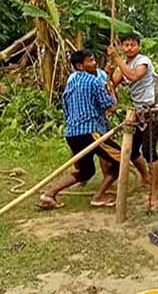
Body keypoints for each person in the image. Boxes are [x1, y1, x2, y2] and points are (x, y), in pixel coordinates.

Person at [39, 49, 121, 209]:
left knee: (86, 171)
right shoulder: (94, 81)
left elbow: (66, 106)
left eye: (94, 59)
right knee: (122, 159)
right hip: (90, 132)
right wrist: (111, 89)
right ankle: (99, 196)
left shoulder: (71, 80)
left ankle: (49, 194)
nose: (95, 63)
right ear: (80, 65)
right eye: (90, 61)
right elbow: (111, 107)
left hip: (72, 133)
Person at [107, 33, 158, 208]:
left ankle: (155, 193)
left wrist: (117, 59)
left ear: (138, 46)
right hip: (138, 112)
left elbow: (133, 76)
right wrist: (109, 74)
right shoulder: (125, 64)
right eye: (126, 45)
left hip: (151, 109)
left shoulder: (142, 61)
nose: (129, 48)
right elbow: (113, 83)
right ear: (122, 46)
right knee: (131, 150)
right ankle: (146, 179)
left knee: (149, 151)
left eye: (132, 45)